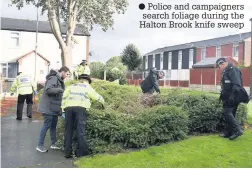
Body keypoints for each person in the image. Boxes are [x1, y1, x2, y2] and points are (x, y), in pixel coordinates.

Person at [62, 73, 104, 158]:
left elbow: (64, 97)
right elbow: (96, 96)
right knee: (80, 130)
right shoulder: (87, 87)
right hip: (80, 109)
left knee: (68, 131)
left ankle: (67, 152)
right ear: (87, 81)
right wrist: (103, 101)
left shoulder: (71, 86)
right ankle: (81, 152)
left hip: (68, 109)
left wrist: (63, 109)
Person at [36, 66, 70, 153]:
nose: (67, 76)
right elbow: (48, 89)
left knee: (53, 125)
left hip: (54, 108)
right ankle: (40, 145)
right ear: (62, 71)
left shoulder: (59, 80)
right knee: (47, 125)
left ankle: (53, 144)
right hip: (48, 107)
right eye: (67, 74)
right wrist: (60, 90)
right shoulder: (54, 78)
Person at [217, 58, 250, 140]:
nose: (219, 67)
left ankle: (238, 130)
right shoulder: (226, 70)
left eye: (219, 66)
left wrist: (232, 97)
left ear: (223, 63)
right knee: (231, 114)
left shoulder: (233, 70)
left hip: (233, 96)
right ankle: (228, 132)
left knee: (227, 113)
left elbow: (237, 85)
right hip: (228, 96)